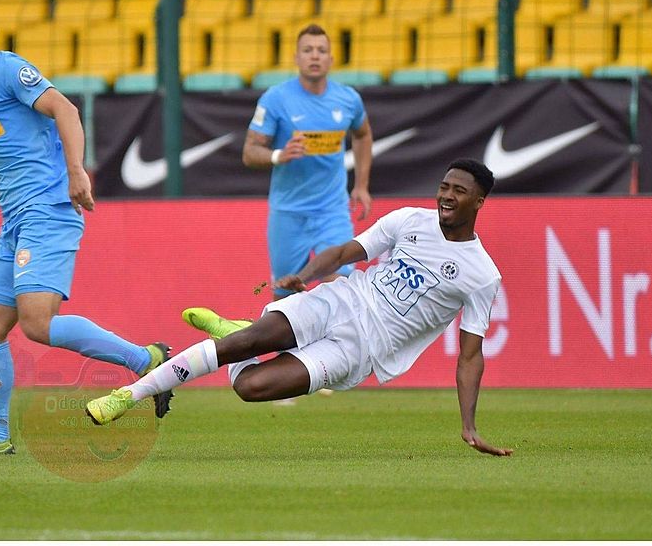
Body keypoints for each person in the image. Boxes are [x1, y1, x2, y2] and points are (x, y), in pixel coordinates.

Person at [87, 159, 511, 457]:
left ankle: (230, 330)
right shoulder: (409, 220)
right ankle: (131, 394)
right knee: (250, 341)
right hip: (339, 301)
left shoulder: (481, 274)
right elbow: (347, 250)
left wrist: (469, 425)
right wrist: (306, 275)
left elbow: (470, 357)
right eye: (443, 187)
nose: (446, 196)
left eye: (459, 190)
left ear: (479, 201)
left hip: (362, 350)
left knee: (249, 386)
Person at [0, 0, 174, 455]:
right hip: (14, 223)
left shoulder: (8, 70)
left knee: (37, 324)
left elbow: (66, 109)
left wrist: (77, 169)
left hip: (47, 211)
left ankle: (147, 360)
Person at [240, 23, 374, 301]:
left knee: (339, 284)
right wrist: (279, 155)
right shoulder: (276, 99)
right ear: (296, 58)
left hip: (332, 210)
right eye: (308, 50)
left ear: (331, 59)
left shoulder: (348, 99)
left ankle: (338, 345)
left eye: (321, 50)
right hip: (289, 212)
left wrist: (361, 185)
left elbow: (363, 135)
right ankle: (288, 346)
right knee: (286, 292)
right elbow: (250, 151)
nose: (315, 56)